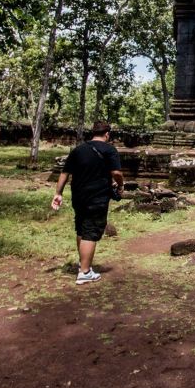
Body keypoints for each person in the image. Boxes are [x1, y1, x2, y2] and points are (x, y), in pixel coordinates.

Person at [51, 121, 124, 285]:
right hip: (97, 197)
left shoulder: (78, 149)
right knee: (91, 232)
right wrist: (120, 185)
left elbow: (65, 173)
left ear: (93, 133)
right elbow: (116, 172)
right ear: (107, 134)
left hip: (79, 196)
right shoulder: (109, 150)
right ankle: (84, 272)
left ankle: (83, 264)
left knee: (82, 229)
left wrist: (58, 193)